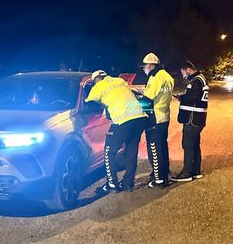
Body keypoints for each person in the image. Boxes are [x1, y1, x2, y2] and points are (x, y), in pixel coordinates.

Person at [85, 70, 148, 192]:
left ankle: (112, 183)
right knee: (131, 150)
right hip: (139, 118)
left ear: (96, 80)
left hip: (123, 120)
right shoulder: (119, 81)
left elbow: (87, 101)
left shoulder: (98, 86)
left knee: (109, 151)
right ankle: (128, 183)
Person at [138, 53, 174, 188]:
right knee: (162, 147)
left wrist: (138, 98)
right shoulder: (167, 76)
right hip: (164, 116)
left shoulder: (156, 76)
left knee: (154, 148)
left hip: (155, 117)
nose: (143, 68)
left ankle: (158, 178)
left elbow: (148, 98)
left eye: (145, 66)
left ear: (152, 65)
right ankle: (164, 172)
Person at [171, 60, 208, 182]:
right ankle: (195, 171)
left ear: (188, 69)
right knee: (195, 145)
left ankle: (186, 173)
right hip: (197, 118)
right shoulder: (201, 79)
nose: (183, 76)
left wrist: (181, 97)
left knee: (187, 145)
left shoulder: (196, 80)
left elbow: (193, 97)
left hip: (192, 118)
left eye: (183, 73)